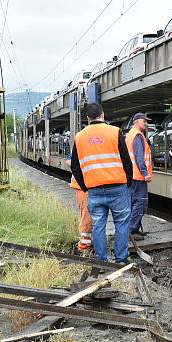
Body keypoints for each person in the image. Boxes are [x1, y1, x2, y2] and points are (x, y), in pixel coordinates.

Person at [70, 102, 133, 263]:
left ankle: (101, 260)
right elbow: (126, 160)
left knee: (98, 225)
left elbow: (75, 167)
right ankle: (121, 259)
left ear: (87, 118)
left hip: (95, 190)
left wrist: (85, 186)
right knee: (122, 223)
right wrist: (128, 182)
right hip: (118, 187)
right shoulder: (115, 132)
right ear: (102, 115)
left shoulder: (79, 137)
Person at [125, 113, 154, 240]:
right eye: (144, 121)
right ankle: (132, 231)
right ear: (136, 121)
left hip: (133, 175)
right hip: (138, 176)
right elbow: (139, 157)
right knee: (139, 203)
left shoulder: (130, 134)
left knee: (133, 203)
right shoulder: (137, 136)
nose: (146, 124)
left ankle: (133, 228)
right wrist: (145, 173)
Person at [68, 158, 92, 255]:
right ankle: (84, 247)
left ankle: (89, 243)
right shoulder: (82, 144)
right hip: (84, 186)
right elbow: (70, 161)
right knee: (87, 218)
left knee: (91, 217)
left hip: (89, 185)